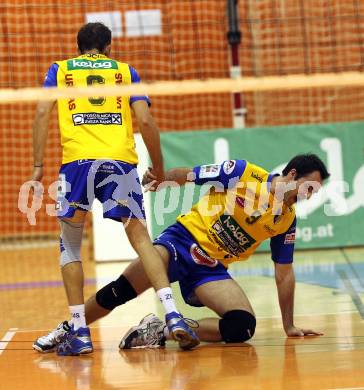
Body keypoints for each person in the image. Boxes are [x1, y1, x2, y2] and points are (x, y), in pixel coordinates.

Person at [34, 154, 330, 350]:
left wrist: (288, 325)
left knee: (242, 326)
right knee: (121, 290)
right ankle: (68, 328)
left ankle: (160, 330)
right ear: (292, 174)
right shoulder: (243, 173)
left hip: (211, 268)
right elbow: (190, 175)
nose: (309, 196)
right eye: (309, 188)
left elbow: (284, 273)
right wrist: (161, 178)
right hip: (180, 242)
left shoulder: (287, 220)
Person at [31, 22, 198, 356]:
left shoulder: (60, 70)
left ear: (79, 47)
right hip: (120, 164)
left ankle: (79, 332)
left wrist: (38, 166)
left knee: (70, 246)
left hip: (77, 164)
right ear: (108, 47)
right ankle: (174, 314)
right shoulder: (125, 71)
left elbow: (41, 112)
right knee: (141, 239)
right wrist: (160, 169)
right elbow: (147, 122)